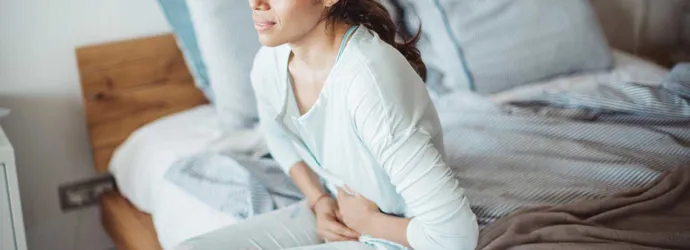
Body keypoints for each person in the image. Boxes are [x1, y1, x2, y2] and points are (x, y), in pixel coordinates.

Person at [183, 0, 478, 249]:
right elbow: (278, 139)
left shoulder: (369, 80)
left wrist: (367, 222)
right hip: (343, 214)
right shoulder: (271, 61)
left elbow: (455, 236)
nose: (255, 3)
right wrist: (319, 199)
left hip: (402, 236)